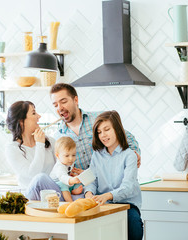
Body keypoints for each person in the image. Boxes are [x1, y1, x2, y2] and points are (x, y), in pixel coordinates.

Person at [50, 83, 141, 176]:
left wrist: (134, 154)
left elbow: (126, 136)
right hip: (82, 188)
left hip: (108, 181)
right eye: (55, 105)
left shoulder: (98, 119)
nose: (60, 108)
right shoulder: (58, 137)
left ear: (75, 100)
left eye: (64, 102)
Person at [84, 111, 143, 240]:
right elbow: (92, 180)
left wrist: (108, 195)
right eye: (99, 132)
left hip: (127, 205)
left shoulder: (130, 155)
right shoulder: (96, 155)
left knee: (134, 223)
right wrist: (89, 193)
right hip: (103, 205)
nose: (103, 135)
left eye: (107, 129)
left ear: (117, 129)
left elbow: (129, 187)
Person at [4, 101, 64, 201]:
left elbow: (61, 166)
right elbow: (33, 174)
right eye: (33, 113)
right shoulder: (11, 148)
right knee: (40, 178)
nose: (39, 116)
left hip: (54, 195)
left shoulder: (50, 141)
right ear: (21, 121)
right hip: (31, 198)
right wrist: (40, 144)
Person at [49, 136, 83, 202]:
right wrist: (71, 180)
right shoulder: (59, 166)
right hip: (56, 184)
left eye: (73, 155)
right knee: (63, 184)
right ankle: (70, 202)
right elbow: (63, 177)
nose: (71, 158)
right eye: (67, 156)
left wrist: (75, 178)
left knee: (78, 183)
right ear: (58, 156)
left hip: (68, 181)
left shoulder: (68, 162)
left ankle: (73, 191)